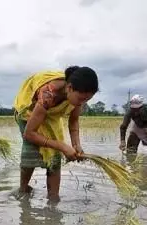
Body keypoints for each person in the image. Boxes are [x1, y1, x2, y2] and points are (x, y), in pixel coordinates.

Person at [13, 66, 99, 201]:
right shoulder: (48, 94)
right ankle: (23, 191)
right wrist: (63, 146)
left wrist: (76, 145)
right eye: (81, 99)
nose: (82, 103)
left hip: (51, 116)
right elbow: (29, 133)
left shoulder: (77, 97)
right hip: (29, 114)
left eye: (86, 100)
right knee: (30, 152)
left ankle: (53, 199)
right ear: (69, 88)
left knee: (54, 158)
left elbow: (74, 121)